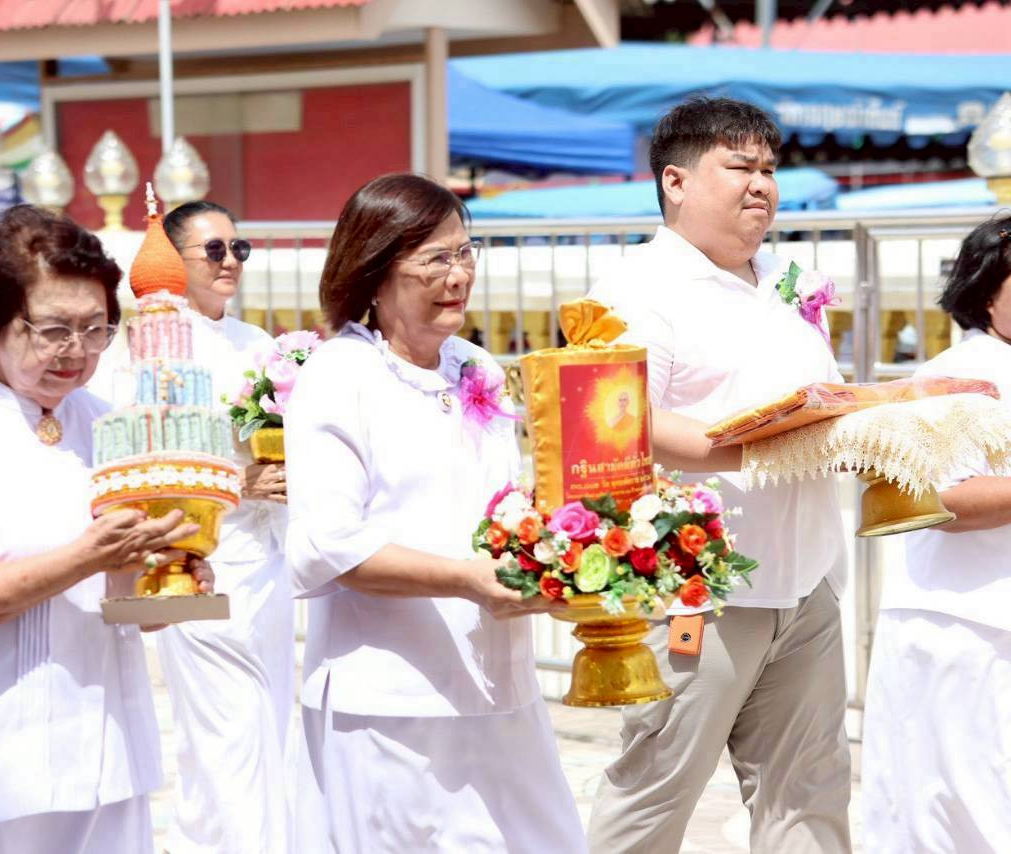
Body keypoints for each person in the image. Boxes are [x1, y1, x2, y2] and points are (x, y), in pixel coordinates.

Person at [0, 205, 213, 852]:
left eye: (95, 329)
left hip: (101, 757)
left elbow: (132, 611)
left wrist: (173, 577)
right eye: (53, 329)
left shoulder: (114, 428)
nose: (75, 352)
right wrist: (86, 555)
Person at [285, 173, 585, 851]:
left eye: (465, 253)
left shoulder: (476, 366)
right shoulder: (339, 375)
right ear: (375, 270)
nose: (459, 276)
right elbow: (328, 545)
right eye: (436, 259)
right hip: (391, 700)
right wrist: (465, 579)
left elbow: (504, 508)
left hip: (497, 680)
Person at [587, 97, 851, 853]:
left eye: (769, 168)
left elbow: (826, 400)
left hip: (806, 583)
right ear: (674, 181)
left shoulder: (789, 280)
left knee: (809, 800)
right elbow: (626, 422)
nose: (761, 184)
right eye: (739, 166)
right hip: (697, 588)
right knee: (655, 794)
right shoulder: (634, 288)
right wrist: (764, 451)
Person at [862, 213, 1011, 852]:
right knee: (961, 821)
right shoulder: (960, 377)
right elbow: (942, 500)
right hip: (963, 631)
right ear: (986, 293)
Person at [152, 201, 293, 853]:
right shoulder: (156, 345)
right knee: (222, 728)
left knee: (272, 720)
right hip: (196, 558)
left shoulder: (258, 343)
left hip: (266, 555)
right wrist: (238, 486)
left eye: (239, 248)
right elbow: (148, 469)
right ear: (174, 258)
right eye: (213, 250)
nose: (230, 260)